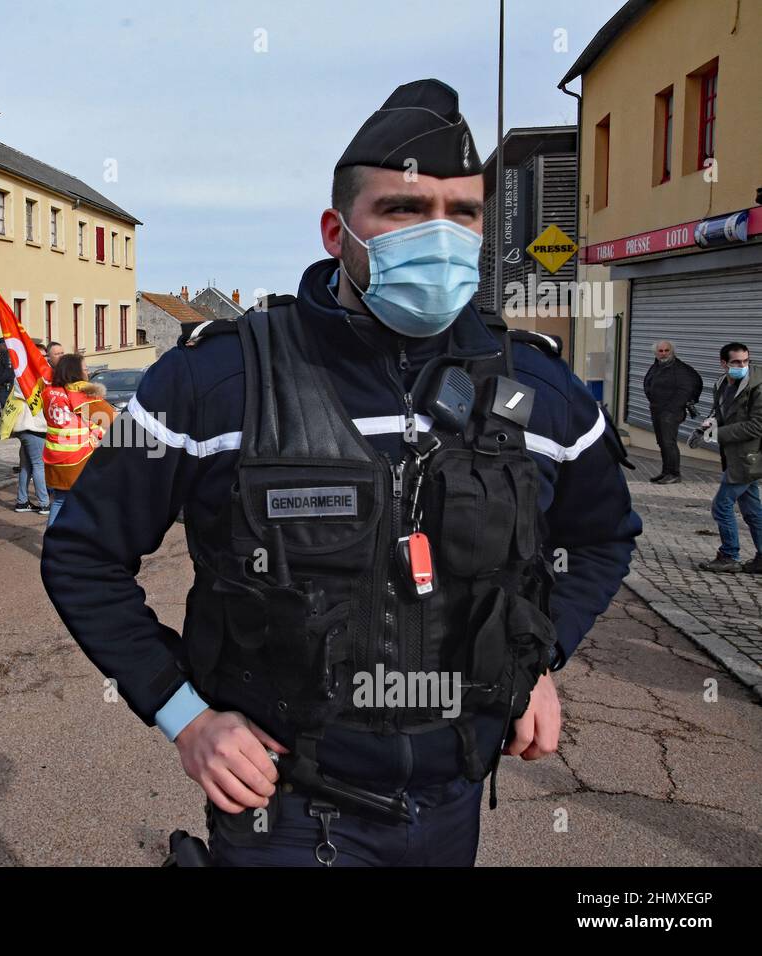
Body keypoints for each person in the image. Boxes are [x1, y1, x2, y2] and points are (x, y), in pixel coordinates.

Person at [41, 79, 641, 867]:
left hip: (452, 802)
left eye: (461, 213)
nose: (440, 235)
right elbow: (83, 555)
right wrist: (185, 715)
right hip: (286, 812)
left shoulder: (542, 390)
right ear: (337, 230)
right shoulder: (216, 382)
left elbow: (603, 538)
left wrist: (541, 657)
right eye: (402, 210)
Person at [697, 342, 762, 573]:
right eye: (736, 362)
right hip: (735, 457)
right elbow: (720, 413)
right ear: (724, 363)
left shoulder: (758, 385)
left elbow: (757, 426)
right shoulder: (723, 383)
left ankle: (729, 555)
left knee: (722, 506)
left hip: (749, 457)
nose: (742, 365)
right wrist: (709, 424)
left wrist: (716, 434)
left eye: (745, 361)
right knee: (753, 510)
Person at [41, 354, 114, 526]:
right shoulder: (81, 393)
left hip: (54, 455)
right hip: (77, 458)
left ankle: (52, 543)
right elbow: (109, 418)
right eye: (85, 368)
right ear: (76, 371)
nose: (87, 371)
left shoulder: (49, 392)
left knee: (59, 501)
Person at [643, 340, 702, 484]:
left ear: (672, 351)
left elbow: (685, 390)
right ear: (656, 353)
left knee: (669, 442)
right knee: (662, 442)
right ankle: (666, 472)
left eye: (666, 350)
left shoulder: (680, 369)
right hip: (657, 410)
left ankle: (674, 473)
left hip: (670, 413)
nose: (663, 354)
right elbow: (648, 384)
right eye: (660, 351)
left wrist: (672, 408)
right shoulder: (657, 366)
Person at [11, 375, 50, 516]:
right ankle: (44, 503)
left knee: (26, 465)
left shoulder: (20, 373)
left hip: (22, 425)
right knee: (38, 465)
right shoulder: (33, 374)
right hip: (34, 425)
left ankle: (22, 501)